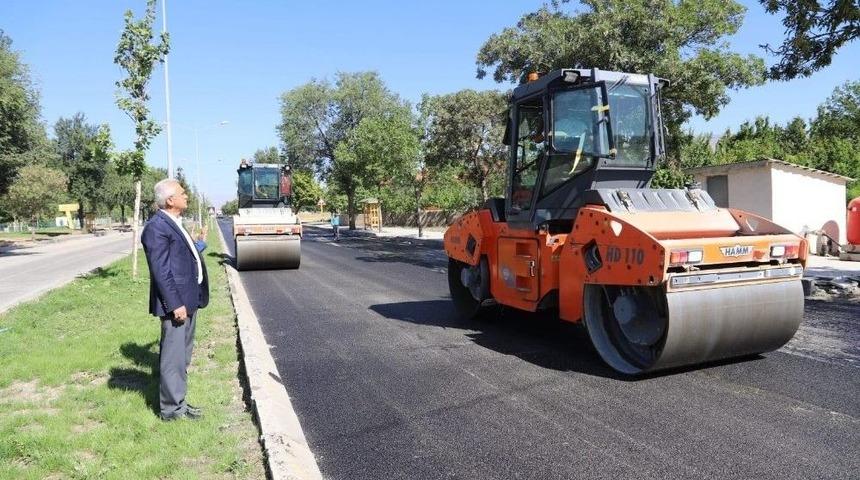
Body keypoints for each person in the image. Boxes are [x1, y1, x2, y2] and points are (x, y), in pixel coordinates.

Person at [141, 179, 210, 422]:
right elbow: (160, 270)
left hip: (189, 301)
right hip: (176, 305)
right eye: (182, 193)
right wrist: (175, 304)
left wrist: (200, 243)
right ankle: (171, 410)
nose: (187, 196)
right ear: (170, 200)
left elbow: (183, 256)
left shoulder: (174, 223)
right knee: (173, 358)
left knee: (183, 357)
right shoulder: (156, 227)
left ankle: (179, 402)